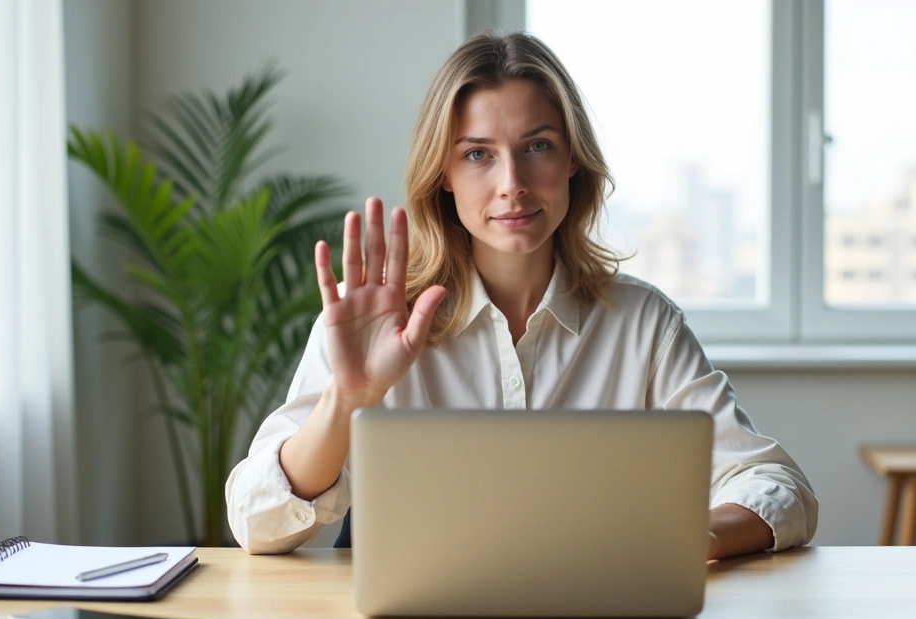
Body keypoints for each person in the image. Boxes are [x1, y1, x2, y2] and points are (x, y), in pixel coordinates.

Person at [226, 31, 818, 558]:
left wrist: (693, 536)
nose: (512, 185)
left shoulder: (642, 323)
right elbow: (257, 523)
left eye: (537, 146)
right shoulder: (379, 323)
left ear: (572, 165)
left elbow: (778, 488)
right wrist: (347, 399)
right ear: (444, 179)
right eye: (478, 154)